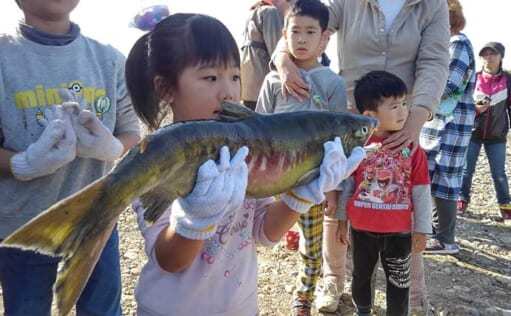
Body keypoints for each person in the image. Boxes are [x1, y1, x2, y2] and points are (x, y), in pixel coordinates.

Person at [124, 13, 366, 316]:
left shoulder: (248, 153)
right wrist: (194, 220)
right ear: (165, 89)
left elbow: (265, 233)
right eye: (211, 77)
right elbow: (170, 261)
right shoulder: (157, 161)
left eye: (235, 76)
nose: (228, 91)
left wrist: (302, 194)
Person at [272, 0, 449, 311]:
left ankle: (416, 294)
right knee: (338, 191)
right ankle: (332, 281)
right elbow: (309, 23)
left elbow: (434, 61)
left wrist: (416, 117)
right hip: (350, 114)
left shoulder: (432, 5)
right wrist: (283, 59)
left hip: (401, 119)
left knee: (402, 196)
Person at [0, 0, 141, 315]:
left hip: (97, 221)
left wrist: (114, 148)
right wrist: (22, 164)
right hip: (24, 225)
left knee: (102, 309)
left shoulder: (110, 60)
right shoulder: (3, 57)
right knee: (26, 308)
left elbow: (132, 129)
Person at [255, 0, 347, 314]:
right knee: (252, 235)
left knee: (311, 244)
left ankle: (303, 297)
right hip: (270, 179)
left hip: (311, 183)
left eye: (311, 31)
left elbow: (338, 143)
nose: (302, 39)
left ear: (325, 38)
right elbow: (257, 130)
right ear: (284, 33)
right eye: (296, 31)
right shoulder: (272, 81)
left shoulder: (332, 84)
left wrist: (333, 188)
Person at [336, 71, 432, 316]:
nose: (403, 112)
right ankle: (363, 311)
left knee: (399, 282)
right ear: (370, 116)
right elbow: (348, 185)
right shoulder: (358, 148)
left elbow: (421, 191)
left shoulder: (413, 150)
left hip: (399, 233)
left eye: (404, 104)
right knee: (361, 277)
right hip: (361, 229)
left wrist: (422, 229)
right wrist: (341, 219)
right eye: (394, 106)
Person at [419, 0, 476, 255]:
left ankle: (446, 239)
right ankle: (434, 232)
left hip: (450, 124)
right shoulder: (446, 45)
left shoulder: (458, 44)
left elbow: (449, 84)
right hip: (437, 123)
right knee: (431, 175)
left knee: (445, 178)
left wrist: (419, 94)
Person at [458, 41, 511, 221]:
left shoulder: (508, 80)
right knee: (466, 170)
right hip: (473, 133)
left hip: (497, 135)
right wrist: (476, 108)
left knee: (499, 174)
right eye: (485, 54)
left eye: (492, 54)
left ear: (501, 57)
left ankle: (505, 207)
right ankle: (461, 200)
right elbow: (462, 103)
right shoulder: (473, 77)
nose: (488, 58)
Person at [240, 0, 292, 110]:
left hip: (248, 89)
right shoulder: (270, 13)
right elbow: (276, 51)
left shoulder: (254, 12)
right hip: (263, 88)